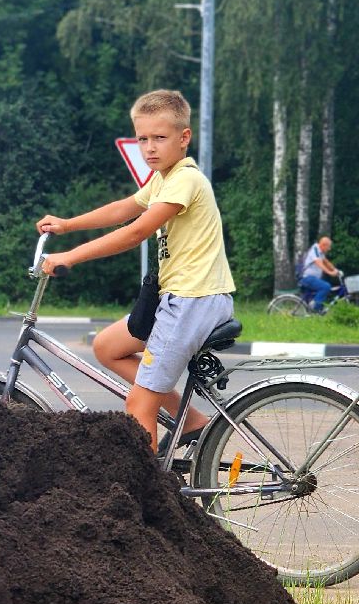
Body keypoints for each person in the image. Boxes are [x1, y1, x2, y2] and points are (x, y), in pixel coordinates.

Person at [35, 89, 235, 453]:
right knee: (107, 347)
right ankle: (192, 422)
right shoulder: (162, 179)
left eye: (159, 138)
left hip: (193, 301)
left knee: (139, 404)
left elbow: (136, 231)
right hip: (176, 298)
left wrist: (71, 256)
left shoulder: (185, 179)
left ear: (184, 137)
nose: (150, 148)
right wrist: (67, 224)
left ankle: (150, 486)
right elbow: (123, 209)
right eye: (143, 139)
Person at [299, 236, 340, 313]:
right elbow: (319, 263)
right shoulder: (315, 250)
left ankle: (315, 308)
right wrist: (330, 273)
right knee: (326, 286)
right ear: (323, 245)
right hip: (307, 278)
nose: (329, 249)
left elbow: (326, 262)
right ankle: (315, 309)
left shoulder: (320, 252)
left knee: (323, 289)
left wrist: (336, 270)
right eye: (328, 247)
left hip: (313, 278)